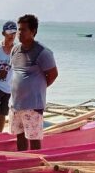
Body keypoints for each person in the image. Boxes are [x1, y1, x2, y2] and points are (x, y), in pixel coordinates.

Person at [9, 14, 58, 151]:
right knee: (19, 136)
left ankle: (35, 163)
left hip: (33, 105)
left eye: (24, 30)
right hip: (15, 104)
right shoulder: (15, 50)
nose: (19, 33)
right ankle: (21, 161)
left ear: (33, 32)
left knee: (34, 138)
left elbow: (53, 74)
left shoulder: (43, 52)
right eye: (19, 29)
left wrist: (37, 88)